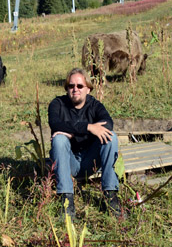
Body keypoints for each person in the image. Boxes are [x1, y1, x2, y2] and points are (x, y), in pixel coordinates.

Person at [48, 67, 122, 219]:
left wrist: (72, 130)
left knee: (111, 137)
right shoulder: (57, 104)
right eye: (71, 86)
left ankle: (111, 195)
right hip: (69, 162)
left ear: (88, 89)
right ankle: (66, 199)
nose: (75, 89)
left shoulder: (95, 105)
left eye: (80, 86)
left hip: (92, 160)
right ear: (67, 88)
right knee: (60, 139)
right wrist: (89, 127)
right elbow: (55, 125)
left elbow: (108, 124)